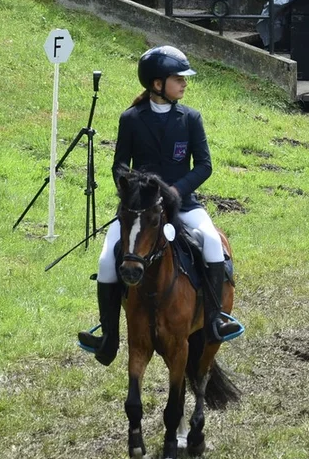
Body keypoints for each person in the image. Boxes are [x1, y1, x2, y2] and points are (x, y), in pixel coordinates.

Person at [78, 45, 239, 366]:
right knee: (106, 260)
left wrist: (175, 192)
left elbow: (204, 166)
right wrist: (136, 195)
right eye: (177, 78)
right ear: (156, 84)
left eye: (183, 79)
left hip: (184, 204)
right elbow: (120, 167)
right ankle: (109, 336)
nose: (184, 84)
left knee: (210, 242)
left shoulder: (190, 118)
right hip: (141, 211)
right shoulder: (131, 119)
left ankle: (214, 320)